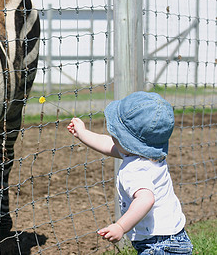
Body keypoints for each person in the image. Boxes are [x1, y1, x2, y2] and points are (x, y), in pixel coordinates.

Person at [67, 91, 193, 254]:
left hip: (157, 245)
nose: (112, 136)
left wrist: (120, 226)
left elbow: (146, 199)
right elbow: (109, 145)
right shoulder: (148, 154)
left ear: (127, 142)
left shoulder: (135, 169)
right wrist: (82, 133)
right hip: (175, 236)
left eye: (116, 135)